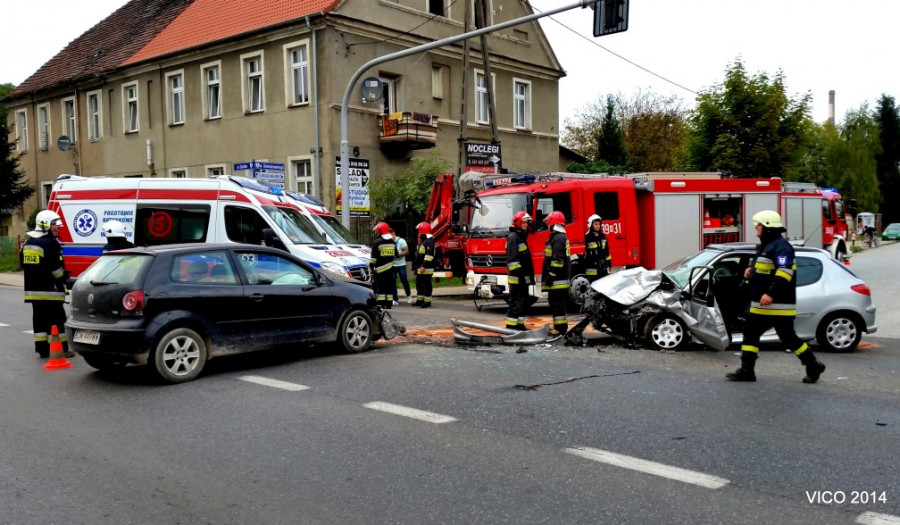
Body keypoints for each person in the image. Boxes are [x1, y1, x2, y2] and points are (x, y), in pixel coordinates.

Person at [727, 210, 826, 383]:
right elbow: (767, 269)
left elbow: (784, 272)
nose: (755, 228)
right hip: (761, 304)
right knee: (751, 334)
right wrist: (751, 272)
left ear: (767, 227)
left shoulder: (781, 247)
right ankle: (747, 370)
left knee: (788, 338)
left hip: (777, 304)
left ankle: (812, 364)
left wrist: (770, 294)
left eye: (758, 225)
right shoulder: (767, 245)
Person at [20, 210, 72, 359]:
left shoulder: (29, 243)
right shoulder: (49, 244)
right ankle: (60, 349)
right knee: (57, 320)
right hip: (51, 291)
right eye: (54, 224)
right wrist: (64, 276)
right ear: (45, 225)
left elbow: (27, 265)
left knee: (39, 321)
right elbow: (55, 270)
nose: (57, 228)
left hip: (33, 292)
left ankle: (42, 349)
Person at [541, 211, 571, 337]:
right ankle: (560, 327)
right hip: (560, 278)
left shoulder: (558, 239)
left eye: (549, 222)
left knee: (557, 304)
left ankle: (560, 329)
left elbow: (557, 261)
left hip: (557, 279)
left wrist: (551, 276)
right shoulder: (559, 237)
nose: (548, 225)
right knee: (558, 304)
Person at [505, 211, 535, 331]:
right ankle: (511, 327)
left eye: (526, 222)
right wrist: (521, 275)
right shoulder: (513, 238)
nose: (525, 224)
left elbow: (532, 229)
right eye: (523, 222)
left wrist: (530, 222)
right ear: (517, 223)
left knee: (523, 303)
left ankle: (519, 325)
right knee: (515, 303)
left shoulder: (521, 236)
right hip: (517, 278)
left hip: (523, 278)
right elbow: (513, 261)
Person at [369, 222, 396, 309]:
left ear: (379, 231)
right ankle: (389, 303)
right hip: (391, 268)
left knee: (381, 287)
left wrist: (371, 266)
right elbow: (397, 254)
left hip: (380, 269)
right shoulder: (392, 241)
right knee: (389, 286)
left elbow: (374, 257)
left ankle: (381, 303)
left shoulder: (377, 242)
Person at [413, 221, 435, 308]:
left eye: (419, 231)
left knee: (426, 285)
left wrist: (423, 266)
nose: (418, 233)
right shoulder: (424, 241)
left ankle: (427, 301)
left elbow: (429, 256)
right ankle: (420, 300)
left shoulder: (428, 242)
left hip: (426, 268)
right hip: (421, 267)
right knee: (419, 284)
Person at [583, 214, 610, 282]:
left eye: (599, 224)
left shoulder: (602, 236)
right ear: (591, 225)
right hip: (592, 270)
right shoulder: (587, 237)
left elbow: (607, 251)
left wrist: (608, 263)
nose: (598, 226)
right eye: (596, 224)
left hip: (603, 268)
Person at [390, 228, 412, 305]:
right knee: (392, 282)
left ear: (393, 233)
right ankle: (395, 299)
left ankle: (408, 295)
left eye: (390, 235)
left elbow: (406, 251)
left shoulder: (401, 241)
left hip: (401, 264)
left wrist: (398, 255)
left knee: (404, 280)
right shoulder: (389, 242)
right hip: (393, 265)